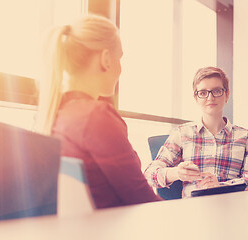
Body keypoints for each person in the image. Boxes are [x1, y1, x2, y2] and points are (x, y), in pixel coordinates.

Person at [35, 14, 161, 208]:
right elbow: (142, 200)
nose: (120, 68)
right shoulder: (95, 117)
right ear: (106, 59)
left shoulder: (52, 114)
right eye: (120, 57)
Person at [144, 66, 248, 197]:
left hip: (232, 207)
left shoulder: (245, 136)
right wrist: (177, 173)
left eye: (217, 91)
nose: (210, 98)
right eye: (203, 93)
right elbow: (149, 175)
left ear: (227, 95)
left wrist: (220, 186)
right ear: (196, 98)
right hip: (192, 210)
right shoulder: (182, 133)